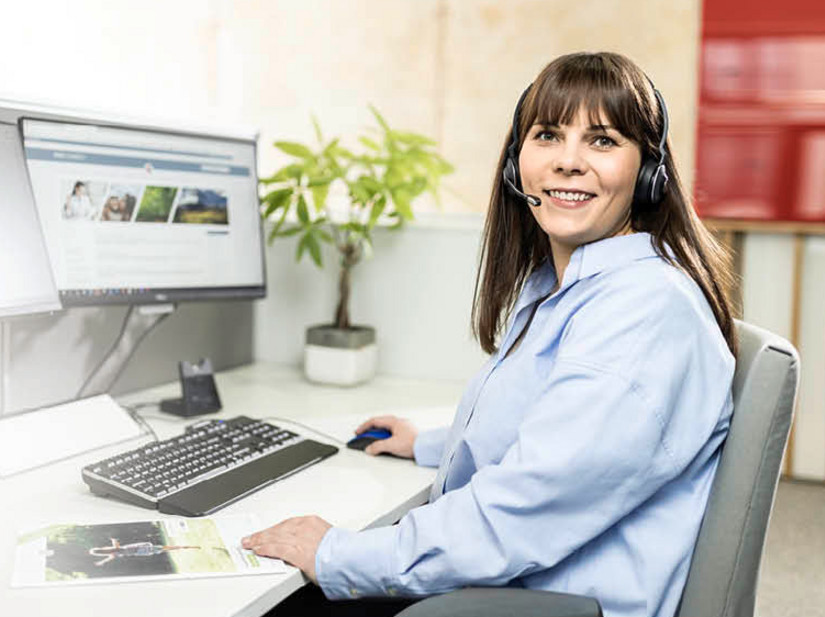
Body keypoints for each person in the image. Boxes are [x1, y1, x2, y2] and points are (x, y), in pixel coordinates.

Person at [243, 51, 739, 617]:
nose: (568, 161)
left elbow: (524, 511)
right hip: (519, 585)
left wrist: (339, 555)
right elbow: (558, 433)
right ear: (514, 163)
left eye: (602, 141)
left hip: (551, 602)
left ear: (649, 173)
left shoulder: (643, 310)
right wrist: (431, 443)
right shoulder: (567, 285)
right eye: (548, 135)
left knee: (272, 599)